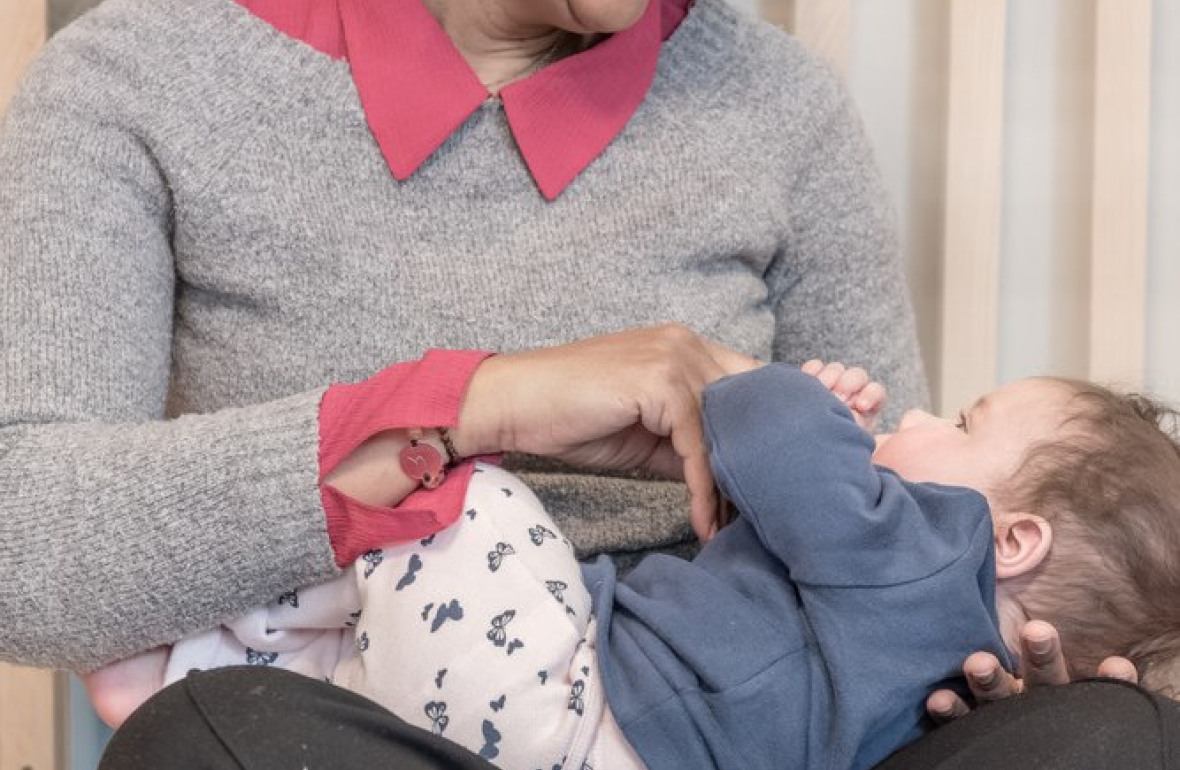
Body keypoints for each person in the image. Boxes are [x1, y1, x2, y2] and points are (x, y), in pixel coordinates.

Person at [0, 0, 1133, 765]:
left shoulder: (782, 110)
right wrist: (471, 403)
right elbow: (23, 548)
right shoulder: (139, 73)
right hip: (372, 715)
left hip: (721, 730)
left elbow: (877, 502)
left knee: (1112, 738)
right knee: (217, 735)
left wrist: (978, 661)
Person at [85, 360, 1180, 770]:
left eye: (969, 417)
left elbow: (762, 424)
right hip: (578, 735)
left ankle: (215, 644)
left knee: (466, 506)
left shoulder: (918, 546)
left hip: (568, 702)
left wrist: (786, 388)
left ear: (1011, 535)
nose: (927, 406)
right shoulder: (937, 662)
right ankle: (215, 679)